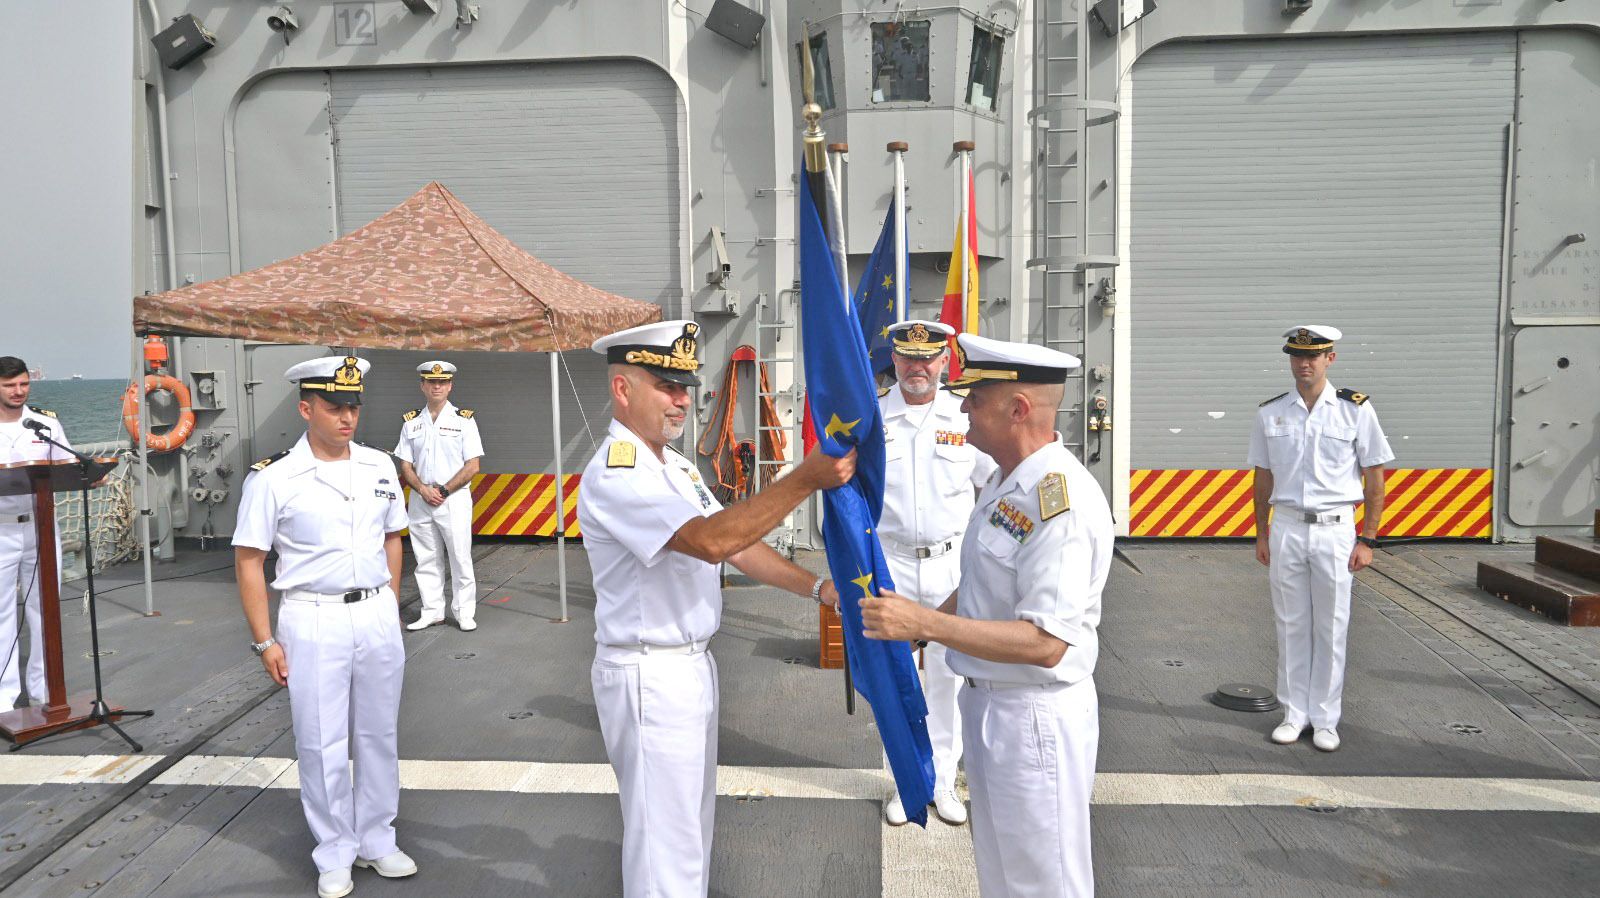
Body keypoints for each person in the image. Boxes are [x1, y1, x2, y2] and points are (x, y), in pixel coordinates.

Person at [577, 320, 855, 898]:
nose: (683, 399)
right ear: (623, 390)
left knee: (690, 835)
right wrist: (804, 478)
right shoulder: (617, 471)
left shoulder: (674, 466)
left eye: (686, 385)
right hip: (649, 672)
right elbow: (709, 542)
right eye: (665, 385)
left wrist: (815, 589)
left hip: (689, 667)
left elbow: (740, 546)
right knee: (664, 853)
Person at [860, 333, 1112, 898]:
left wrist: (924, 625)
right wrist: (915, 637)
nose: (964, 405)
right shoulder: (1005, 482)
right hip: (995, 706)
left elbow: (1046, 642)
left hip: (1033, 715)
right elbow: (977, 586)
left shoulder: (1059, 501)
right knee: (1004, 877)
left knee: (1044, 881)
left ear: (1017, 409)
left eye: (976, 396)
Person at [232, 356, 416, 898]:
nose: (347, 418)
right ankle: (334, 850)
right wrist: (265, 640)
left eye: (354, 407)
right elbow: (249, 559)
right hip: (312, 616)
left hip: (375, 614)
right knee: (321, 739)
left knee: (379, 734)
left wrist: (387, 601)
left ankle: (378, 840)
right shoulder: (275, 478)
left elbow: (393, 537)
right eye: (335, 407)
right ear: (306, 408)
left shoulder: (379, 465)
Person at [1250, 326, 1393, 753]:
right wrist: (1262, 533)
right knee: (1290, 624)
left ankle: (1326, 719)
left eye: (1313, 356)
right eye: (1296, 355)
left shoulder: (1355, 410)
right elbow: (1262, 477)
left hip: (1336, 530)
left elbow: (1375, 480)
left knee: (1331, 626)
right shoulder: (1271, 413)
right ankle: (1295, 713)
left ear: (1330, 359)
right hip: (1288, 527)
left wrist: (1368, 539)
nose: (1303, 363)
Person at [876, 320, 996, 827]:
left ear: (944, 361)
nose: (917, 367)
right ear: (896, 360)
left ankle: (943, 781)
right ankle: (906, 782)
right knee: (896, 679)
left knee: (947, 676)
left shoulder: (965, 419)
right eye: (907, 357)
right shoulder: (873, 417)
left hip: (950, 564)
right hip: (892, 562)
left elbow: (995, 484)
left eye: (928, 358)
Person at [394, 360, 483, 632]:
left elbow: (473, 465)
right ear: (422, 385)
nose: (437, 386)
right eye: (431, 382)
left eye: (442, 382)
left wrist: (443, 490)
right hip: (422, 499)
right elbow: (405, 464)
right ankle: (432, 611)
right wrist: (422, 489)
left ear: (450, 385)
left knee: (459, 556)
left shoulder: (464, 420)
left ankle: (464, 612)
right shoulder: (411, 423)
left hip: (452, 498)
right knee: (426, 558)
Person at [0, 356, 67, 709]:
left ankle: (45, 691)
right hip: (1, 531)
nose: (18, 391)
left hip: (41, 526)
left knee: (46, 610)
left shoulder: (44, 424)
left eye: (23, 384)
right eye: (10, 385)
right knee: (2, 614)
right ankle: (3, 698)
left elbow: (65, 466)